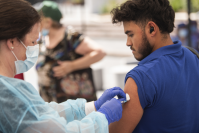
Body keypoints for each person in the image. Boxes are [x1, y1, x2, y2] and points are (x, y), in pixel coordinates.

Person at [0, 0, 126, 132]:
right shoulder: (8, 94)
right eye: (32, 41)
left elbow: (42, 113)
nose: (35, 47)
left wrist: (90, 107)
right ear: (12, 42)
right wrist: (102, 118)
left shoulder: (10, 92)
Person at [109, 0, 199, 133]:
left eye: (130, 34)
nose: (128, 43)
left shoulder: (140, 78)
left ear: (152, 29)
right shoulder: (194, 57)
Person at [36, 1, 106, 103]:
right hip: (50, 104)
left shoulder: (70, 37)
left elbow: (100, 52)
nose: (37, 24)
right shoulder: (43, 39)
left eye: (39, 21)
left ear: (48, 22)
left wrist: (72, 65)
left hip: (73, 106)